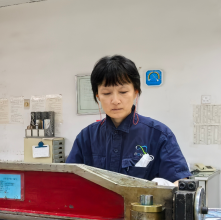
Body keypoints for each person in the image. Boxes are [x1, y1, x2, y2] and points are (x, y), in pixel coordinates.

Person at [67, 55, 190, 183]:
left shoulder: (159, 134)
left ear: (135, 92)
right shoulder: (86, 137)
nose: (115, 101)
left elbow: (180, 182)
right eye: (106, 93)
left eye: (123, 92)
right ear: (98, 96)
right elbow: (69, 181)